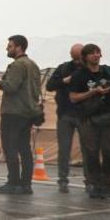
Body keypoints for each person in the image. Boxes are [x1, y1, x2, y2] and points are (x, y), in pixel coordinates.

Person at [0, 35, 41, 195]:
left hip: (13, 112)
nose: (7, 48)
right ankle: (26, 184)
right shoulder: (33, 65)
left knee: (10, 148)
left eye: (10, 46)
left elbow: (11, 87)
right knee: (24, 149)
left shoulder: (17, 65)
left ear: (19, 47)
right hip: (28, 112)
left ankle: (13, 183)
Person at [69, 44, 110, 199]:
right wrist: (93, 92)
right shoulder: (79, 75)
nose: (96, 55)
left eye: (98, 52)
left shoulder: (108, 71)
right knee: (91, 153)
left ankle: (107, 186)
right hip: (88, 119)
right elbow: (73, 97)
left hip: (109, 117)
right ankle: (93, 183)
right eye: (92, 53)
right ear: (85, 57)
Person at [45, 43, 84, 193]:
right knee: (64, 149)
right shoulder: (63, 68)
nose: (77, 62)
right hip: (65, 113)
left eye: (79, 58)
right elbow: (49, 86)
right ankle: (63, 180)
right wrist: (64, 81)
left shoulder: (90, 69)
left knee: (88, 149)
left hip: (84, 114)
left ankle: (90, 181)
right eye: (74, 58)